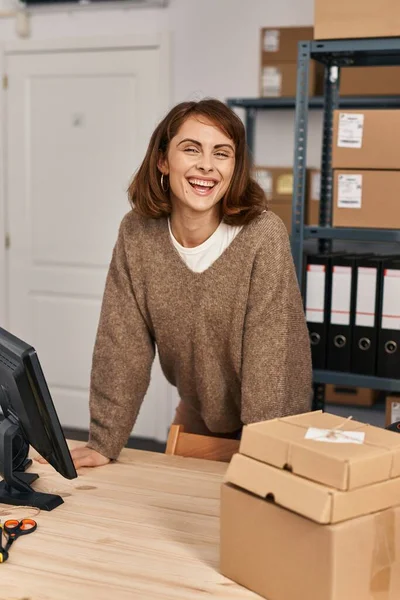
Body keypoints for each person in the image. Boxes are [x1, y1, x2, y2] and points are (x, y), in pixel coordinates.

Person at [43, 98, 312, 470]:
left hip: (273, 420)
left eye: (222, 153)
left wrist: (265, 456)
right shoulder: (137, 233)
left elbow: (273, 360)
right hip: (201, 409)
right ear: (163, 161)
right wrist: (104, 441)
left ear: (234, 168)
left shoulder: (262, 236)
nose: (206, 165)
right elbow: (121, 343)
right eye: (191, 149)